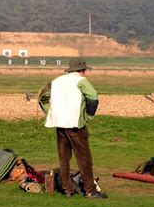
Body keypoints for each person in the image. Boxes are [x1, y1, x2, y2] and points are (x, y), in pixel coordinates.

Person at [38, 57, 107, 199]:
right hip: (76, 125)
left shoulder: (56, 81)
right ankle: (90, 190)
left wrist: (50, 113)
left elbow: (42, 97)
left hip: (60, 124)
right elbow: (93, 97)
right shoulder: (81, 81)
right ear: (82, 70)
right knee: (84, 158)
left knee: (64, 159)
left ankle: (67, 189)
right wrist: (89, 115)